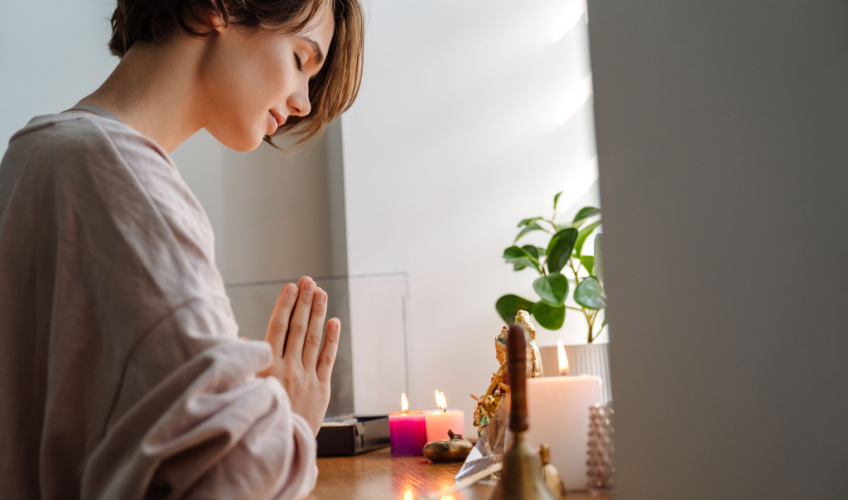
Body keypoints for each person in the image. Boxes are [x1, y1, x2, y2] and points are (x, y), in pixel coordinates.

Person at [0, 0, 364, 498]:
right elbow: (219, 479)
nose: (303, 101)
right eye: (301, 59)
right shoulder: (125, 183)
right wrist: (289, 424)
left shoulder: (31, 155)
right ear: (217, 8)